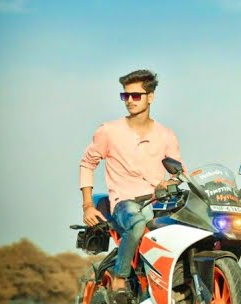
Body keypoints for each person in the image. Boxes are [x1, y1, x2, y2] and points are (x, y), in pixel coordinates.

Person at [78, 70, 182, 304]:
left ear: (151, 97)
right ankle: (119, 277)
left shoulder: (166, 135)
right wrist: (87, 205)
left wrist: (170, 182)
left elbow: (179, 172)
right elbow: (87, 163)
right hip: (125, 203)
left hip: (157, 204)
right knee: (136, 221)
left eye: (136, 96)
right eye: (126, 96)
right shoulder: (109, 131)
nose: (130, 101)